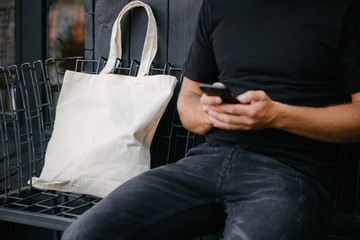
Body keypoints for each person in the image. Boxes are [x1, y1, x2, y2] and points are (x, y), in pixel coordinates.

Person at [62, 0, 360, 239]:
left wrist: (278, 116)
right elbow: (188, 98)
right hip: (206, 163)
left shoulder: (344, 9)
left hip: (290, 172)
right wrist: (207, 110)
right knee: (84, 233)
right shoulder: (220, 5)